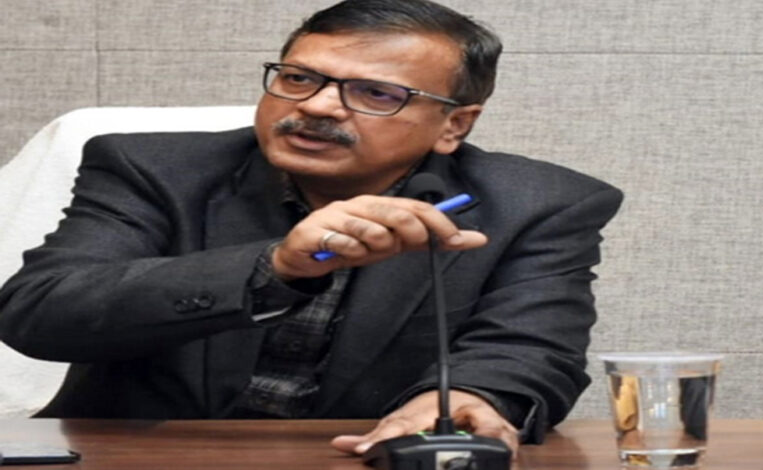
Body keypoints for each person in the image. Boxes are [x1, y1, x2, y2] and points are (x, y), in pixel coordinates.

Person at [0, 0, 622, 457]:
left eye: (376, 93)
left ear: (454, 125)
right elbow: (41, 311)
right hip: (145, 455)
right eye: (299, 78)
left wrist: (473, 397)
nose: (318, 106)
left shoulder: (540, 204)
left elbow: (530, 348)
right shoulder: (153, 169)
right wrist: (275, 268)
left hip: (359, 457)